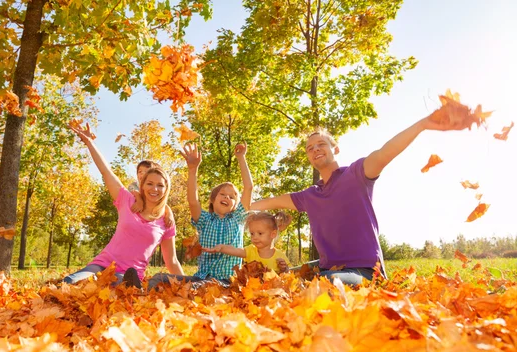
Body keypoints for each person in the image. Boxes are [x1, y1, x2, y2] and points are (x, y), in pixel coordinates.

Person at [250, 115, 462, 285]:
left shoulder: (356, 175)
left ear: (336, 149)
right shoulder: (310, 195)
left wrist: (423, 124)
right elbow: (272, 202)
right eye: (310, 148)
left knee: (323, 284)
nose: (315, 149)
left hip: (364, 270)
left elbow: (385, 152)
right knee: (279, 277)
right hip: (327, 267)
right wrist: (245, 207)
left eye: (321, 144)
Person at [63, 122, 184, 286]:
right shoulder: (127, 200)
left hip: (129, 274)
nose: (154, 189)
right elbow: (106, 172)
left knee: (116, 286)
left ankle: (129, 284)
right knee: (70, 282)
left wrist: (186, 285)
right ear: (142, 185)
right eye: (149, 183)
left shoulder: (166, 220)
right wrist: (90, 143)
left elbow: (172, 261)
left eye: (160, 185)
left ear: (166, 189)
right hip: (102, 265)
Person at [148, 142, 253, 289]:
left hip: (226, 281)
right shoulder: (205, 220)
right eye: (223, 194)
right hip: (200, 277)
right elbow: (193, 201)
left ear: (236, 205)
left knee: (197, 287)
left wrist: (241, 158)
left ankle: (186, 293)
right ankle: (142, 293)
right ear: (213, 200)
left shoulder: (238, 219)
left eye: (232, 197)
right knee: (157, 278)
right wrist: (192, 170)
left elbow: (249, 187)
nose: (227, 198)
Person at [202, 211, 292, 273]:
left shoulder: (280, 256)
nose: (255, 237)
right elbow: (235, 250)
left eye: (260, 233)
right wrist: (221, 247)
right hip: (252, 293)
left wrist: (284, 269)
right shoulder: (250, 250)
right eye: (252, 233)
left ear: (273, 234)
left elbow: (291, 273)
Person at [129, 160, 175, 227]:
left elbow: (162, 204)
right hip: (133, 220)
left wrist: (169, 214)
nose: (142, 174)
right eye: (140, 171)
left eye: (146, 171)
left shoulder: (154, 191)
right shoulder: (134, 185)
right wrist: (139, 200)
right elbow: (133, 191)